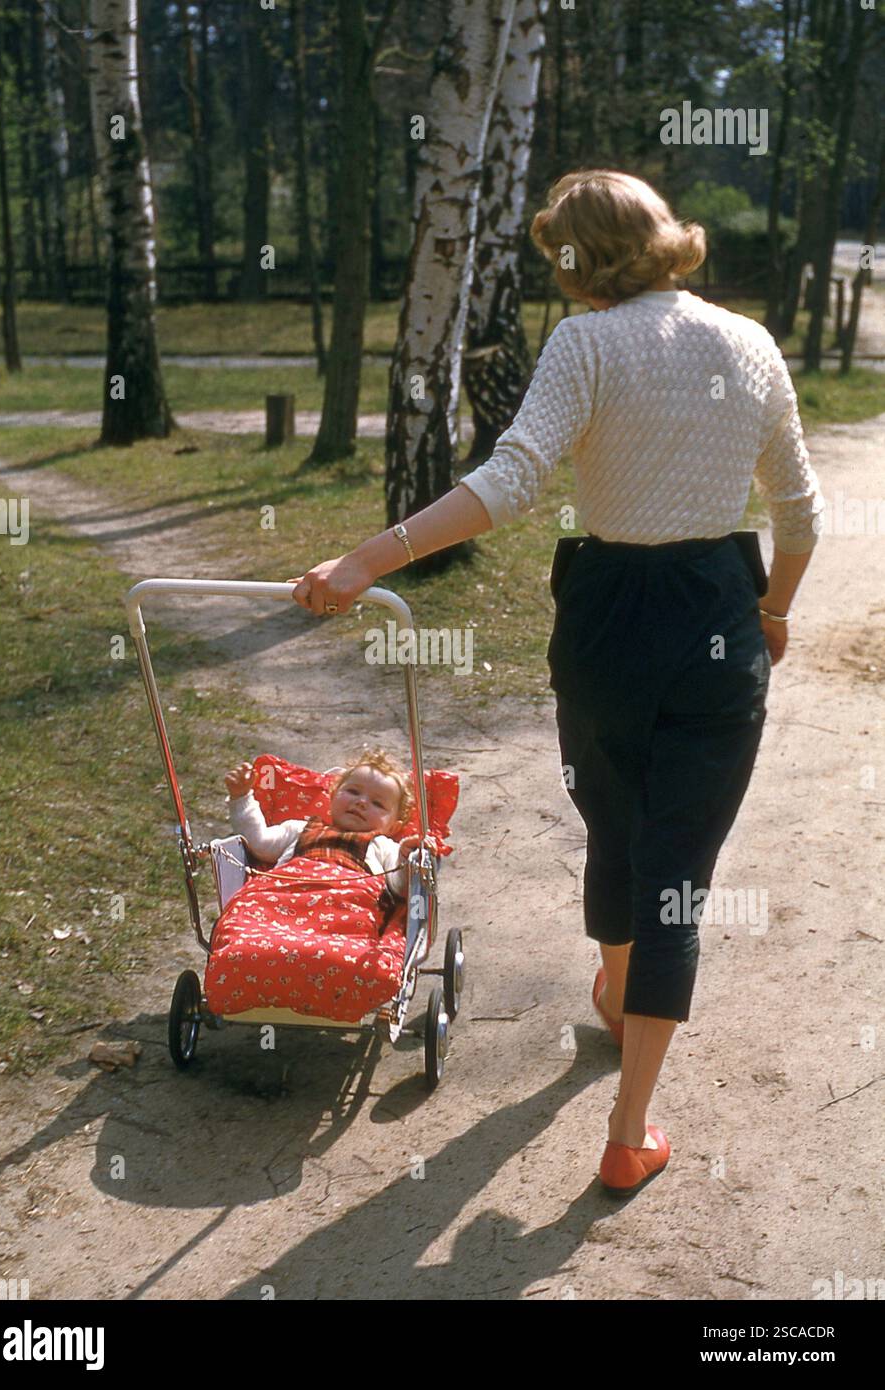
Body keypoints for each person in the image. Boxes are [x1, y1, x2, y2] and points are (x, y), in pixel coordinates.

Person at [282, 168, 824, 1196]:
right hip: (716, 615)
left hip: (604, 621)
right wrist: (775, 612)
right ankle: (628, 1125)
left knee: (614, 827)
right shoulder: (749, 343)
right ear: (662, 233)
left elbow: (509, 481)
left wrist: (363, 560)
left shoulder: (585, 343)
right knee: (677, 870)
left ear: (577, 260)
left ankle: (618, 993)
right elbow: (799, 511)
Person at [224, 747, 428, 901]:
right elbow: (259, 843)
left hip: (347, 907)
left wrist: (406, 858)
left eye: (378, 804)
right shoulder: (299, 828)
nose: (361, 802)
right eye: (353, 792)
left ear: (393, 827)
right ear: (332, 796)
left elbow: (400, 887)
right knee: (243, 918)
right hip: (283, 897)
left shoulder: (384, 847)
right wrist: (241, 797)